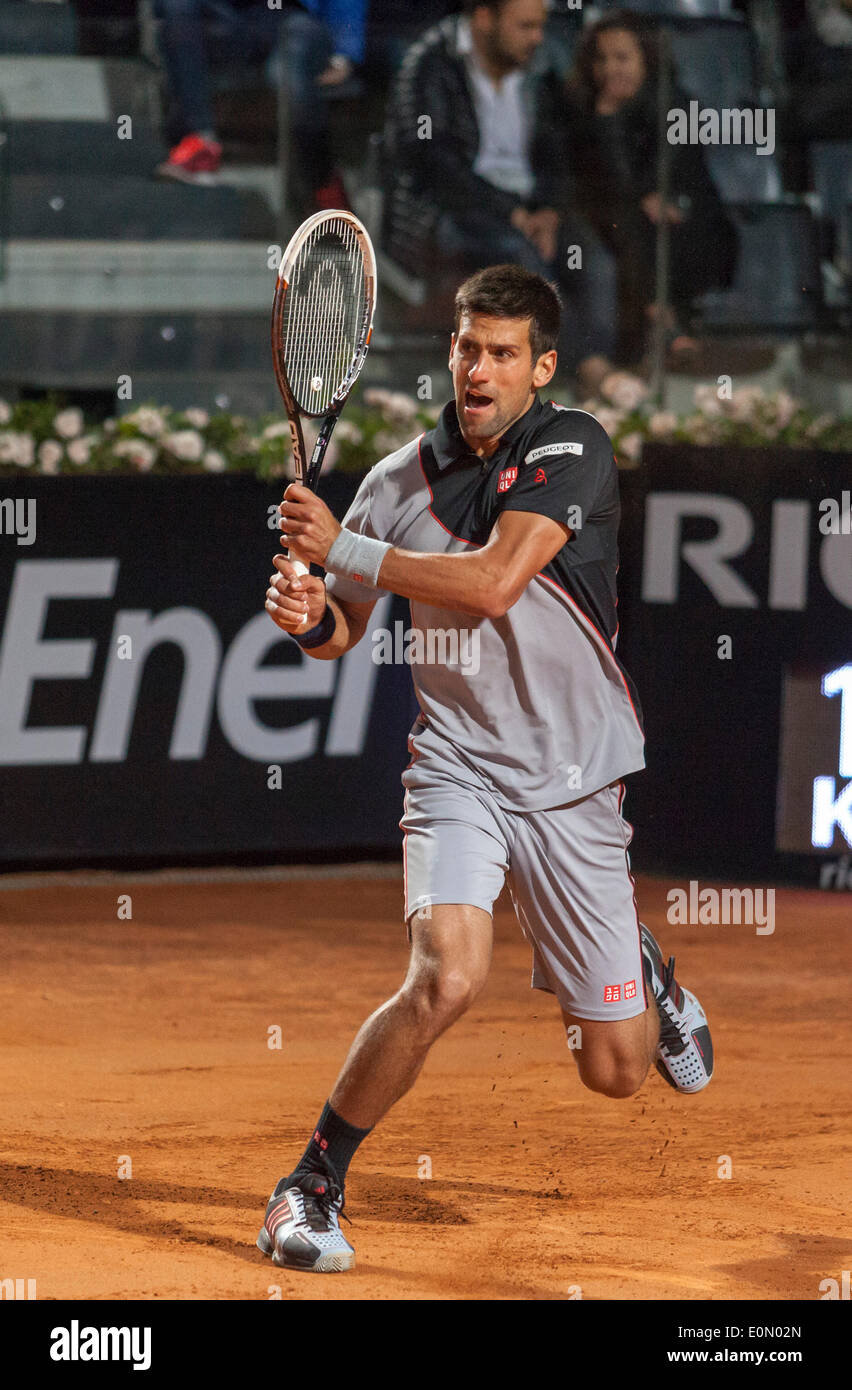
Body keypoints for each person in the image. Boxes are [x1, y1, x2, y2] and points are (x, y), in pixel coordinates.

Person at [258, 264, 714, 1273]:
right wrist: (309, 619)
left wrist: (350, 553)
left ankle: (642, 968)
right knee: (445, 976)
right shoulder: (389, 486)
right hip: (460, 767)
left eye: (504, 353)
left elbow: (499, 582)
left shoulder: (574, 449)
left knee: (618, 1072)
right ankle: (312, 1184)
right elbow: (347, 629)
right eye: (468, 347)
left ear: (540, 368)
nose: (480, 367)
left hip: (575, 784)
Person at [382, 0, 620, 395]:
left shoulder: (541, 66)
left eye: (540, 26)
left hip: (528, 208)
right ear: (483, 18)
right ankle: (592, 373)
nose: (538, 38)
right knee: (520, 263)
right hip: (450, 212)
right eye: (525, 27)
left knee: (595, 263)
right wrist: (510, 212)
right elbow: (432, 162)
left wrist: (547, 208)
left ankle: (588, 384)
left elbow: (559, 151)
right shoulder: (429, 63)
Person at [559, 10, 738, 366]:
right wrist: (607, 120)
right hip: (613, 218)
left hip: (688, 217)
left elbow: (673, 175)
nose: (610, 69)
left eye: (622, 58)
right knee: (629, 215)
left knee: (648, 219)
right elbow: (607, 185)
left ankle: (665, 324)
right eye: (601, 58)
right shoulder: (582, 111)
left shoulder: (676, 106)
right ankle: (665, 324)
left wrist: (659, 198)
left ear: (647, 59)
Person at [153, 0, 367, 210]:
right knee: (178, 5)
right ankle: (201, 143)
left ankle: (322, 179)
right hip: (231, 18)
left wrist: (345, 52)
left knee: (286, 76)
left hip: (293, 17)